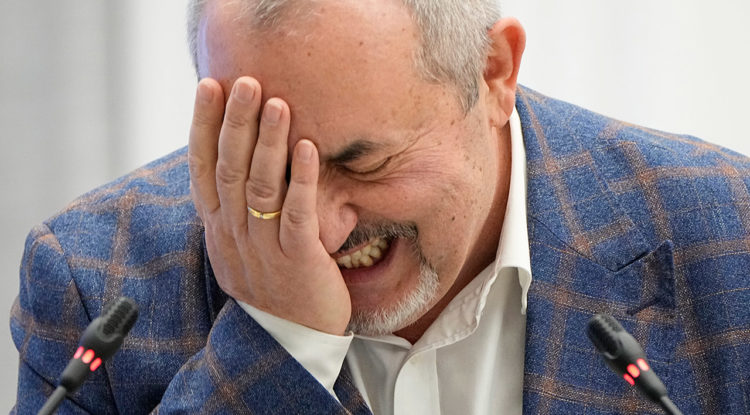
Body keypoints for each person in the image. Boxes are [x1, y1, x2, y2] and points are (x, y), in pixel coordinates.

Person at [11, 0, 750, 413]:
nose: (317, 228)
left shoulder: (727, 234)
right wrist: (278, 343)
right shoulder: (92, 283)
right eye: (270, 168)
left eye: (362, 162)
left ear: (493, 73)